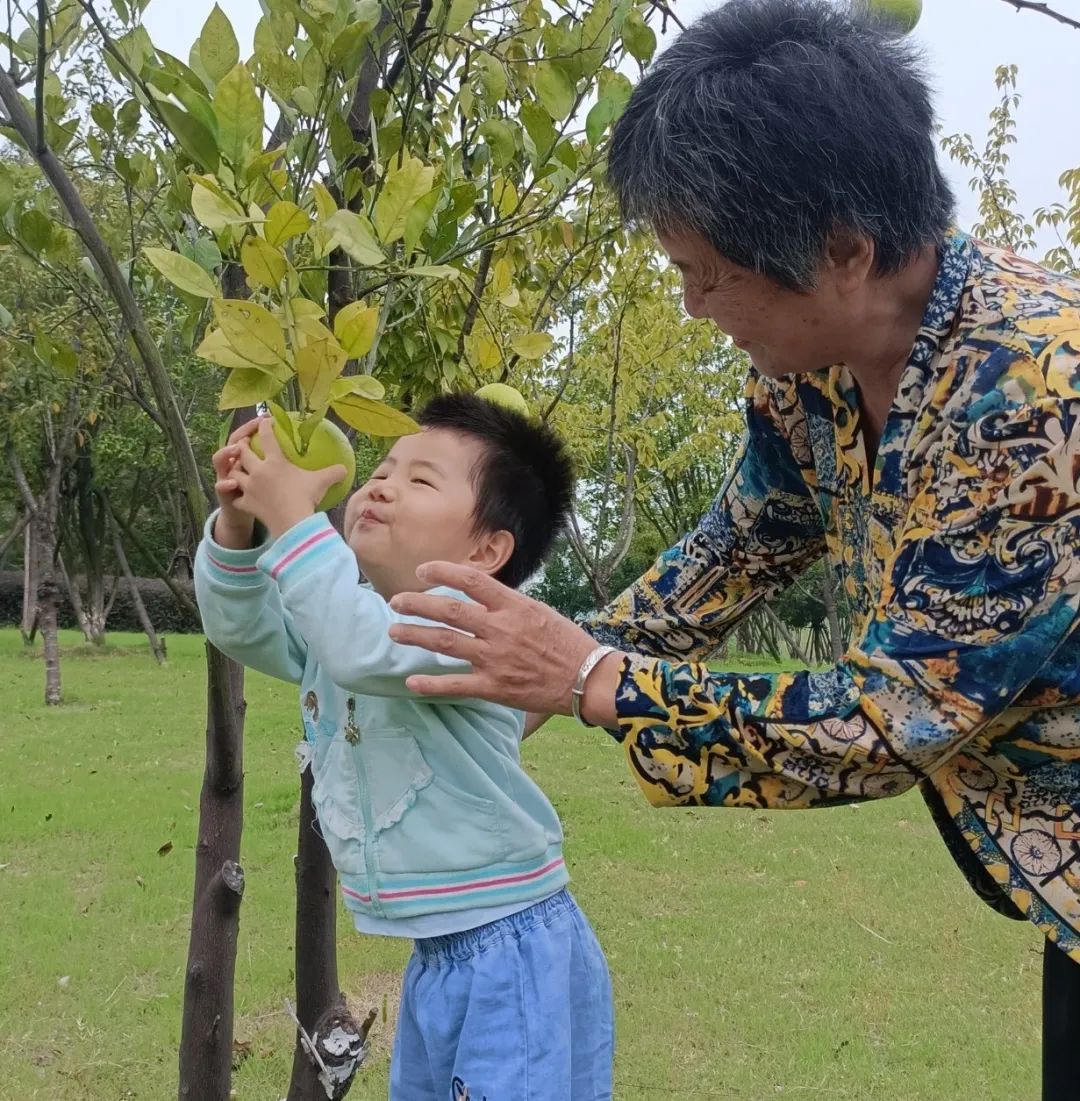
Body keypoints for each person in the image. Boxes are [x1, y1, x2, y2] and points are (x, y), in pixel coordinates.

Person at [380, 2, 1080, 1097]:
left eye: (706, 273)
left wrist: (594, 679)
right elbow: (745, 541)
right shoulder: (815, 370)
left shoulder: (1033, 399)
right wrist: (530, 671)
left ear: (843, 251)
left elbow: (887, 721)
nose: (693, 305)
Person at [193, 395, 613, 1101]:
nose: (381, 486)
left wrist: (293, 518)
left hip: (510, 950)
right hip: (439, 954)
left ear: (486, 552)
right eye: (382, 469)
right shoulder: (351, 621)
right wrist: (239, 526)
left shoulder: (475, 627)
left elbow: (360, 646)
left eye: (420, 480)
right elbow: (242, 627)